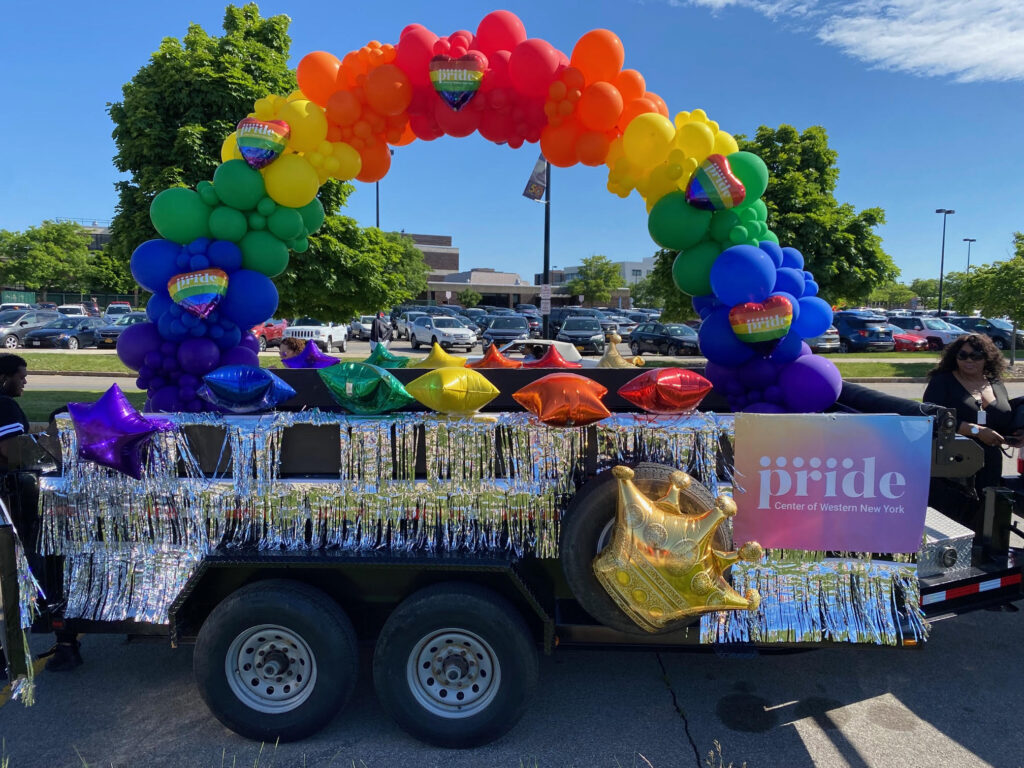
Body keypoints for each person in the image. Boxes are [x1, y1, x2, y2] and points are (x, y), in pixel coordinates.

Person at [0, 354, 82, 674]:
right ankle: (31, 655)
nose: (24, 380)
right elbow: (11, 452)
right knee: (26, 578)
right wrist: (42, 455)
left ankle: (62, 645)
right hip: (11, 504)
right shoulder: (4, 405)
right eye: (20, 376)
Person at [923, 333, 1019, 530]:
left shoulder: (995, 383)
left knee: (986, 516)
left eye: (976, 356)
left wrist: (1016, 433)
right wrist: (975, 430)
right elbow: (930, 416)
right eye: (963, 355)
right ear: (954, 357)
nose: (969, 360)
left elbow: (1003, 417)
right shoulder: (942, 382)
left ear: (987, 358)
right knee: (956, 518)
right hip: (952, 466)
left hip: (990, 463)